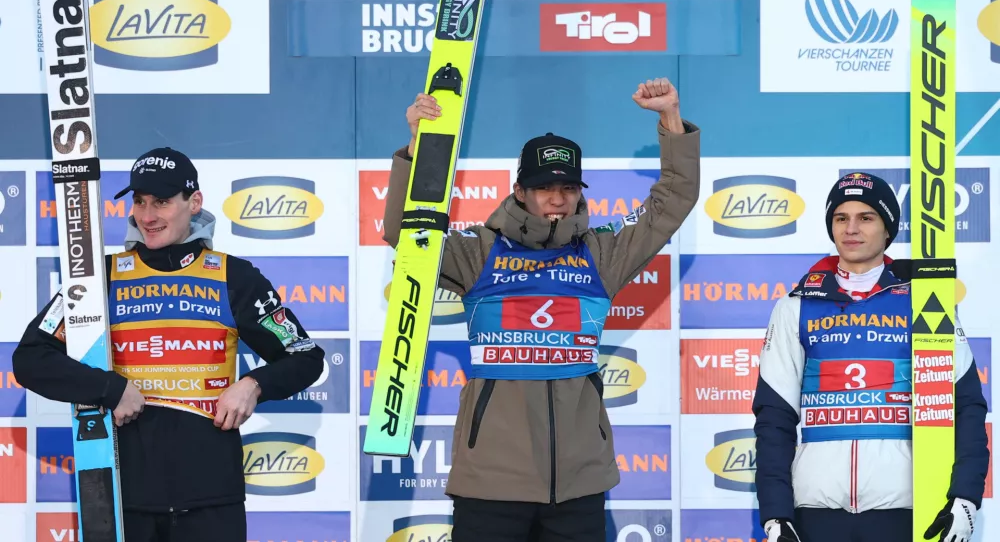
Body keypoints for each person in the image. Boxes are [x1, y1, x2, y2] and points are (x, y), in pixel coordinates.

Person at [381, 77, 700, 541]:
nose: (557, 197)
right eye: (544, 185)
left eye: (568, 186)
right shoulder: (478, 251)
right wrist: (418, 147)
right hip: (490, 482)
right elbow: (405, 234)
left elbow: (671, 203)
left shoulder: (600, 253)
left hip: (579, 484)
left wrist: (671, 120)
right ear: (520, 190)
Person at [13, 147, 325, 542]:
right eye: (140, 202)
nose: (147, 216)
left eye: (161, 202)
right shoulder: (98, 281)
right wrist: (110, 388)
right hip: (122, 500)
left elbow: (305, 356)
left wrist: (254, 385)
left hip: (212, 500)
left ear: (194, 202)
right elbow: (30, 358)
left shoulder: (235, 278)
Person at [752, 172, 990, 542]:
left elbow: (965, 406)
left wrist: (965, 498)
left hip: (906, 510)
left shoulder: (924, 301)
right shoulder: (795, 307)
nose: (851, 228)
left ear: (887, 228)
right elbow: (775, 419)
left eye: (866, 217)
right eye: (840, 218)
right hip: (815, 514)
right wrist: (776, 515)